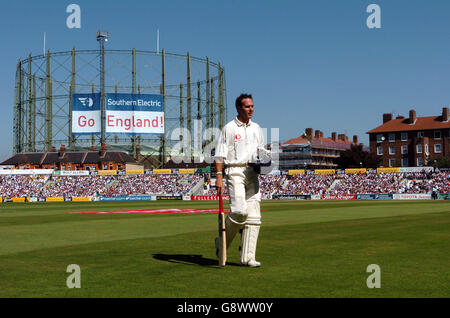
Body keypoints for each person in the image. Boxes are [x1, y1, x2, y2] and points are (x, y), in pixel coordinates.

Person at [214, 93, 268, 267]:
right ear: (238, 108)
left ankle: (247, 257)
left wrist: (265, 161)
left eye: (252, 106)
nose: (251, 109)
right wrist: (219, 177)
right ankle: (221, 243)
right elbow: (219, 155)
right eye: (247, 106)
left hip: (252, 173)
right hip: (234, 170)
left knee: (254, 217)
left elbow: (262, 151)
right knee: (239, 212)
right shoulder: (229, 128)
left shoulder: (257, 128)